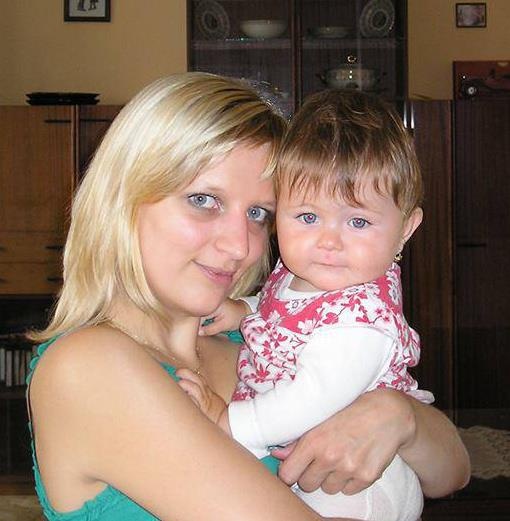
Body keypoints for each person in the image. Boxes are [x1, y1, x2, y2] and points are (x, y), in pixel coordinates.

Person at [26, 73, 469, 521]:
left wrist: (399, 416)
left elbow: (452, 473)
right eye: (204, 200)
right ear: (121, 199)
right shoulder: (88, 367)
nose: (240, 246)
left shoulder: (256, 341)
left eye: (258, 213)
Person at [182, 89, 463, 520]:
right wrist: (245, 310)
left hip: (356, 488)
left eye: (358, 221)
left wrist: (229, 422)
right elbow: (286, 311)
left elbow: (310, 398)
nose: (329, 241)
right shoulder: (303, 275)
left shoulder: (362, 323)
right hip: (313, 465)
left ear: (406, 229)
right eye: (308, 217)